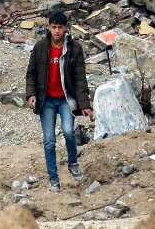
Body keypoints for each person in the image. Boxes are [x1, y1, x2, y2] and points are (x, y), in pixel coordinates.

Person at [25, 10, 93, 191]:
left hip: (65, 99)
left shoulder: (74, 49)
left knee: (69, 131)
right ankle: (53, 178)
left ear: (66, 28)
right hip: (46, 99)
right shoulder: (40, 48)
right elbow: (31, 74)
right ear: (48, 27)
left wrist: (85, 105)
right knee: (49, 140)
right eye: (53, 27)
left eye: (60, 27)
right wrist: (31, 95)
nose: (56, 31)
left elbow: (80, 79)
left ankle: (73, 162)